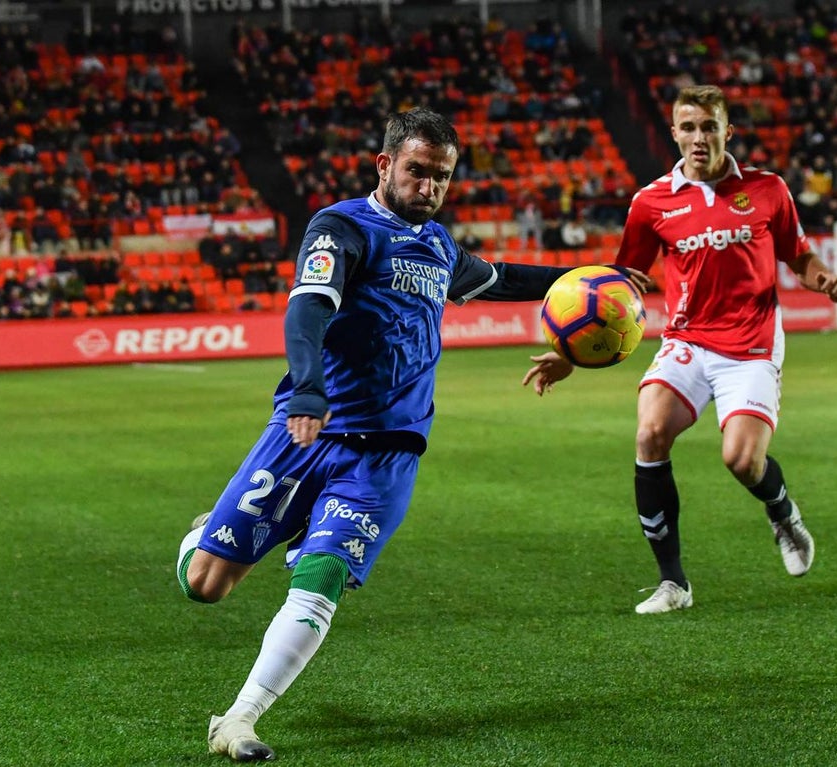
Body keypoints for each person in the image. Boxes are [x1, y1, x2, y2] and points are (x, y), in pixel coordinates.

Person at [175, 108, 650, 762]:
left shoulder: (439, 247)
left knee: (323, 576)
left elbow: (506, 278)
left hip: (388, 455)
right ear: (385, 165)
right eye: (418, 171)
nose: (428, 187)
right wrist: (309, 386)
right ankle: (208, 533)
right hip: (309, 430)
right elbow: (309, 307)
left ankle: (239, 717)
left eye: (441, 177)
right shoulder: (342, 227)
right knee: (206, 582)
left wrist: (595, 280)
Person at [523, 85, 837, 614]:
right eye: (689, 128)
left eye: (709, 127)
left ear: (727, 131)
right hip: (687, 340)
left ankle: (783, 514)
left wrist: (823, 278)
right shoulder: (651, 202)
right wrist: (570, 352)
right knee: (649, 433)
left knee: (742, 460)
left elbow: (799, 256)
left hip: (751, 344)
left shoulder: (768, 190)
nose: (699, 138)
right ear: (674, 133)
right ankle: (673, 583)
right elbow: (617, 287)